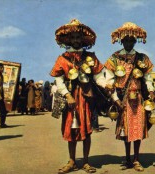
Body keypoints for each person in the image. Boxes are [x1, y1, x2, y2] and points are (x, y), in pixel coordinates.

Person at [50, 19, 107, 173]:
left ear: (82, 40)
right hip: (70, 98)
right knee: (71, 128)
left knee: (87, 128)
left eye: (78, 37)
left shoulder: (90, 58)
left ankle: (86, 161)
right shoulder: (63, 58)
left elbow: (98, 76)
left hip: (86, 97)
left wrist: (106, 84)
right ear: (69, 39)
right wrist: (67, 95)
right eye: (73, 38)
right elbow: (59, 80)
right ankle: (72, 161)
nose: (76, 40)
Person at [104, 22, 155, 172]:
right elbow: (110, 81)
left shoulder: (142, 58)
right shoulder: (114, 58)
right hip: (123, 99)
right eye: (125, 40)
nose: (128, 43)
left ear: (134, 41)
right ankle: (127, 159)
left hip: (138, 99)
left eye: (131, 40)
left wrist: (151, 91)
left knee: (138, 128)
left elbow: (148, 78)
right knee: (126, 130)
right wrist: (116, 99)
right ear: (121, 41)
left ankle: (137, 159)